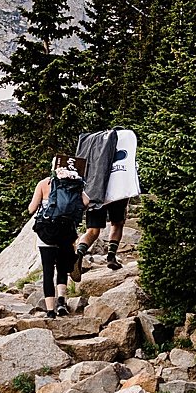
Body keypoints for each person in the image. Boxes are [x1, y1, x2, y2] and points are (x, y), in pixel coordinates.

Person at [28, 154, 88, 317]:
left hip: (47, 232)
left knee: (48, 270)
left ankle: (50, 311)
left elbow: (32, 208)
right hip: (66, 232)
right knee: (62, 268)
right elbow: (86, 202)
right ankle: (62, 303)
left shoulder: (44, 183)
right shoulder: (75, 185)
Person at [74, 128, 126, 271]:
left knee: (92, 230)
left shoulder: (94, 152)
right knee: (117, 223)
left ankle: (79, 255)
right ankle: (111, 257)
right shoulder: (124, 153)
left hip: (94, 191)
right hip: (117, 192)